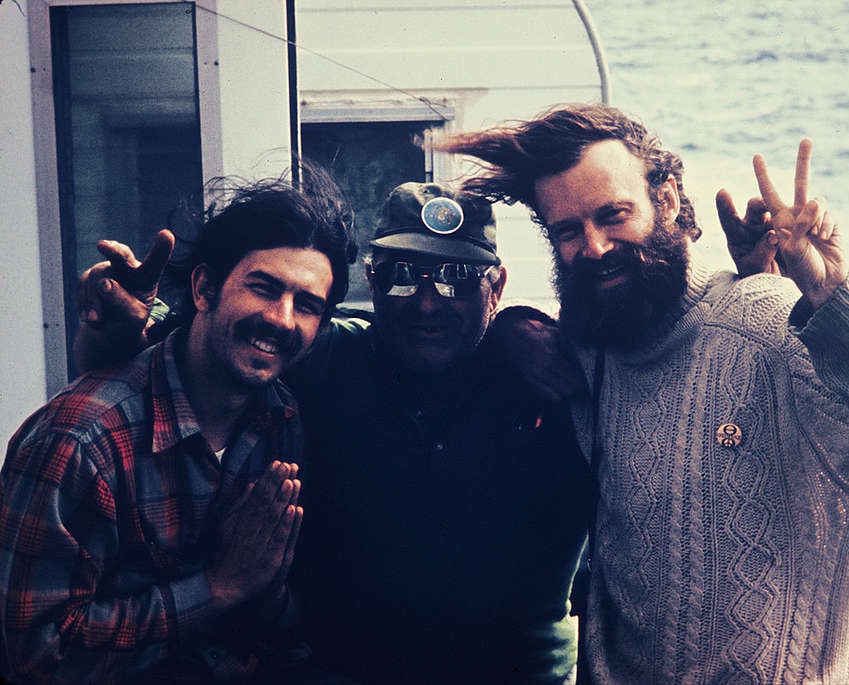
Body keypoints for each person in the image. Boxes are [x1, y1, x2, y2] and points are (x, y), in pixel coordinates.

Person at [438, 104, 849, 684]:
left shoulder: (771, 327)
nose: (595, 247)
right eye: (569, 230)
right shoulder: (594, 343)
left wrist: (832, 296)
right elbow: (542, 331)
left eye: (614, 215)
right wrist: (511, 327)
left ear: (669, 200)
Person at [73, 182, 594, 684]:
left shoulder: (549, 375)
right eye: (403, 275)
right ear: (371, 278)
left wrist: (522, 324)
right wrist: (110, 328)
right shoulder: (322, 355)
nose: (428, 302)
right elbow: (172, 339)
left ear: (497, 286)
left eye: (457, 277)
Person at [0, 170, 355, 684]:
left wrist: (267, 589)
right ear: (205, 287)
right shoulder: (79, 442)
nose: (282, 318)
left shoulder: (282, 421)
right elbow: (37, 658)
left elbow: (273, 629)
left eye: (307, 304)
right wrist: (218, 587)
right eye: (264, 288)